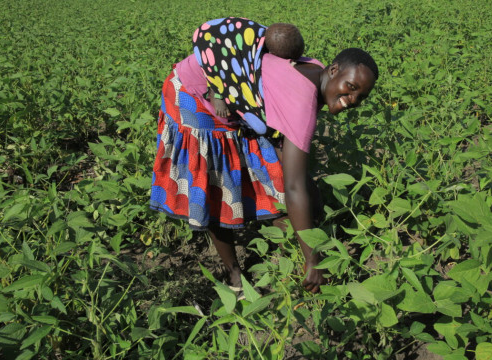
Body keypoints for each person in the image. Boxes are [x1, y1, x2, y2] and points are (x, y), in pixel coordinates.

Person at [150, 17, 378, 294]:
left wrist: (309, 190)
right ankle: (235, 277)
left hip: (235, 103)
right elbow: (293, 187)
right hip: (193, 95)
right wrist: (313, 261)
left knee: (277, 179)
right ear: (333, 70)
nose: (352, 100)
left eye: (360, 97)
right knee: (217, 189)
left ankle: (285, 256)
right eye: (351, 87)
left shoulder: (314, 70)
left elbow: (289, 161)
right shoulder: (302, 106)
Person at [192, 17, 305, 133]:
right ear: (273, 54)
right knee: (229, 73)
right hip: (208, 41)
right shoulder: (250, 51)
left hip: (227, 35)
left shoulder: (275, 39)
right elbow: (239, 77)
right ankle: (215, 90)